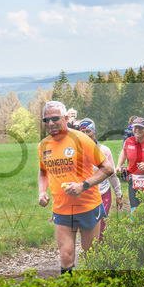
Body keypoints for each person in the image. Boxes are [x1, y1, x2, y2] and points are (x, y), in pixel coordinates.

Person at [37, 101, 113, 274]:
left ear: (65, 118)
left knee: (91, 256)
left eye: (55, 119)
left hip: (88, 206)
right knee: (66, 256)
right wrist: (42, 192)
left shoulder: (81, 139)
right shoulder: (43, 146)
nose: (50, 123)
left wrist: (83, 185)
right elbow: (43, 172)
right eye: (46, 120)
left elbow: (107, 168)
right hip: (62, 210)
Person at [77, 118, 123, 242]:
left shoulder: (104, 151)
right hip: (84, 195)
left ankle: (99, 256)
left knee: (100, 227)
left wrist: (118, 194)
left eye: (88, 131)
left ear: (94, 132)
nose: (86, 135)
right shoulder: (76, 151)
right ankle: (89, 254)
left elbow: (112, 174)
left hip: (103, 194)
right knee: (84, 229)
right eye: (82, 132)